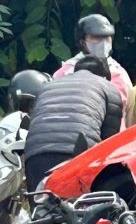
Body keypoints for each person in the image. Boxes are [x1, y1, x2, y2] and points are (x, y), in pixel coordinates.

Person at [24, 55, 123, 192]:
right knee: (77, 203)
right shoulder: (108, 87)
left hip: (34, 153)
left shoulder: (48, 86)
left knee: (38, 201)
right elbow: (109, 141)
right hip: (76, 154)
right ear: (105, 76)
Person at [54, 14, 133, 113]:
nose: (103, 43)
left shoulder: (119, 74)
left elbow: (130, 112)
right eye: (96, 37)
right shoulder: (64, 73)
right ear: (82, 42)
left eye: (106, 37)